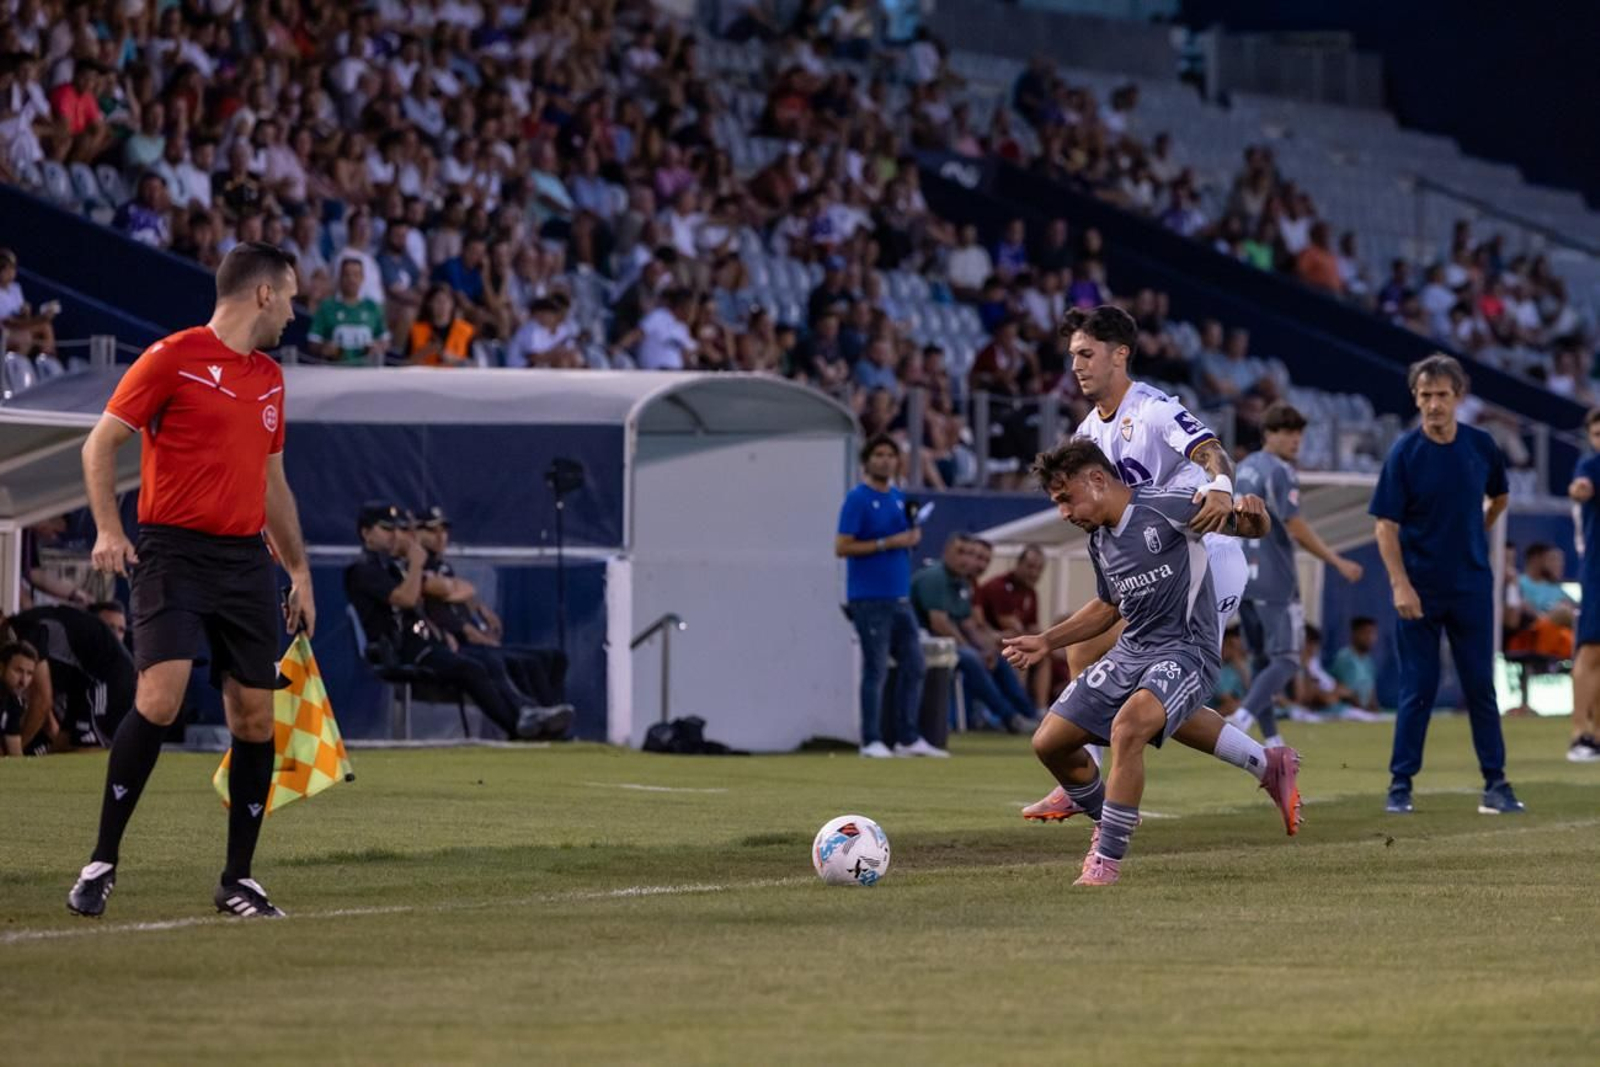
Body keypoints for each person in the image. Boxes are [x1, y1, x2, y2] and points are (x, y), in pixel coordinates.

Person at [68, 242, 315, 920]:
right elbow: (99, 444)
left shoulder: (270, 378)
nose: (295, 312)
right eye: (290, 295)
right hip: (173, 553)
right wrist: (108, 529)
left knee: (256, 718)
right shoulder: (171, 357)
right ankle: (101, 862)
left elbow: (274, 485)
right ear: (262, 293)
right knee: (159, 697)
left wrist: (299, 568)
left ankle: (239, 878)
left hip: (244, 562)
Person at [1020, 306, 1298, 831]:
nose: (1076, 366)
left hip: (1205, 555)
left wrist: (1219, 486)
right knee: (1131, 679)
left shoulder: (1152, 409)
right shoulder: (1087, 431)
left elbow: (1212, 450)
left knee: (1158, 686)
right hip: (1151, 559)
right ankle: (1267, 763)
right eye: (1072, 356)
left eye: (1086, 354)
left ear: (1120, 355)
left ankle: (1092, 783)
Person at [1001, 439, 1272, 885]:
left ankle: (1105, 860)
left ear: (1097, 479)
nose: (1064, 513)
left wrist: (1256, 518)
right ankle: (1108, 816)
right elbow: (1108, 608)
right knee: (1048, 743)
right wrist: (1044, 641)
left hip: (1187, 649)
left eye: (1066, 499)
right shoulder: (1100, 541)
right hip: (1133, 650)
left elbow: (1247, 527)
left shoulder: (1168, 506)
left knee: (1128, 728)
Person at [1370, 353, 1521, 815]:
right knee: (1419, 688)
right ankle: (1400, 786)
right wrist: (1400, 585)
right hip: (1421, 588)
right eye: (1425, 395)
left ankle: (1496, 785)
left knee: (1481, 687)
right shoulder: (1404, 453)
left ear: (1459, 397)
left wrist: (1479, 527)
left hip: (1472, 585)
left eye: (1441, 395)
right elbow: (1385, 527)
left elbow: (1500, 496)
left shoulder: (1481, 445)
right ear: (1416, 398)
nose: (1433, 404)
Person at [345, 503, 573, 743]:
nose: (394, 535)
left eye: (396, 529)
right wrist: (415, 564)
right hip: (400, 650)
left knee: (488, 660)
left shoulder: (389, 567)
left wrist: (441, 633)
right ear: (366, 533)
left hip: (425, 644)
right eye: (385, 529)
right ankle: (518, 725)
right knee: (471, 667)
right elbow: (407, 598)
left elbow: (424, 604)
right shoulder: (361, 570)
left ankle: (528, 713)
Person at [1233, 402, 1365, 746]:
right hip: (1276, 580)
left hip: (1243, 579)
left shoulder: (1244, 468)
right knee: (1289, 660)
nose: (1296, 440)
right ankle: (1241, 719)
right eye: (1288, 432)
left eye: (1299, 433)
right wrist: (1337, 561)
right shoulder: (1281, 472)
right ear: (1268, 434)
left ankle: (1273, 742)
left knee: (1261, 662)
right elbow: (1296, 526)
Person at [415, 506, 574, 734]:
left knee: (554, 657)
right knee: (516, 662)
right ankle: (534, 720)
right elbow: (444, 597)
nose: (441, 537)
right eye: (432, 531)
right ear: (416, 533)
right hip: (454, 644)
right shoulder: (416, 569)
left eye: (444, 530)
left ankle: (550, 718)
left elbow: (463, 590)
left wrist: (476, 604)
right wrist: (470, 623)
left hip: (469, 639)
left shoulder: (443, 567)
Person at [835, 434, 938, 758]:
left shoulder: (898, 497)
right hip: (869, 597)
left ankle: (907, 737)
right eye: (878, 454)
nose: (884, 460)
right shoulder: (858, 499)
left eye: (890, 455)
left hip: (899, 596)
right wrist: (888, 543)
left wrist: (910, 538)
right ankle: (871, 739)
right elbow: (842, 546)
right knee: (876, 668)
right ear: (867, 461)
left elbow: (904, 540)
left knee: (915, 665)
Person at [913, 535, 1037, 734]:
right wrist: (974, 650)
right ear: (946, 552)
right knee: (972, 659)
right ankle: (1010, 717)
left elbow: (968, 624)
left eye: (970, 554)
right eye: (961, 552)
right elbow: (939, 624)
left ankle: (1029, 714)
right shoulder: (935, 576)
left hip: (949, 646)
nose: (967, 560)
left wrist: (987, 649)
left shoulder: (961, 583)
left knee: (999, 656)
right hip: (927, 645)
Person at [7, 602, 135, 753]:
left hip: (110, 677)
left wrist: (13, 752)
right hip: (83, 683)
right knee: (62, 749)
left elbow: (41, 702)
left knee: (88, 748)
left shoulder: (27, 630)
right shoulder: (24, 630)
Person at [976, 544, 1065, 710]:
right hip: (992, 644)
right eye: (1030, 567)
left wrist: (1053, 646)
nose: (1034, 573)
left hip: (1010, 644)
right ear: (1018, 564)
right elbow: (1012, 628)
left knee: (1043, 656)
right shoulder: (999, 587)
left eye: (1039, 569)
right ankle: (1021, 709)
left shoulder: (1031, 593)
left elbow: (1034, 628)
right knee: (1023, 655)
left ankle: (1040, 709)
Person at [1564, 407, 1600, 762]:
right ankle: (1579, 734)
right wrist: (1578, 490)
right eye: (1596, 435)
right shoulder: (1591, 466)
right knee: (1589, 651)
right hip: (1597, 571)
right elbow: (1581, 487)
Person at [308, 258, 389, 365]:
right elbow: (313, 341)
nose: (351, 279)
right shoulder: (327, 306)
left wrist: (378, 348)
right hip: (334, 373)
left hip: (367, 373)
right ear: (340, 277)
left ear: (362, 278)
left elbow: (385, 340)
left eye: (356, 275)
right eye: (347, 275)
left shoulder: (372, 307)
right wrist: (324, 348)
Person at [1329, 617, 1384, 720]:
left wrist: (1374, 707)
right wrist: (1359, 705)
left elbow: (1370, 689)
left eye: (1372, 633)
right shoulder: (1345, 657)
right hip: (1345, 709)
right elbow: (1341, 688)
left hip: (1364, 711)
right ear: (1354, 634)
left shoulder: (1368, 661)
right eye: (1366, 633)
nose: (1370, 638)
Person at [0, 641, 40, 757]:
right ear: (2, 667)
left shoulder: (14, 703)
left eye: (29, 674)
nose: (24, 681)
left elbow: (15, 753)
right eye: (18, 671)